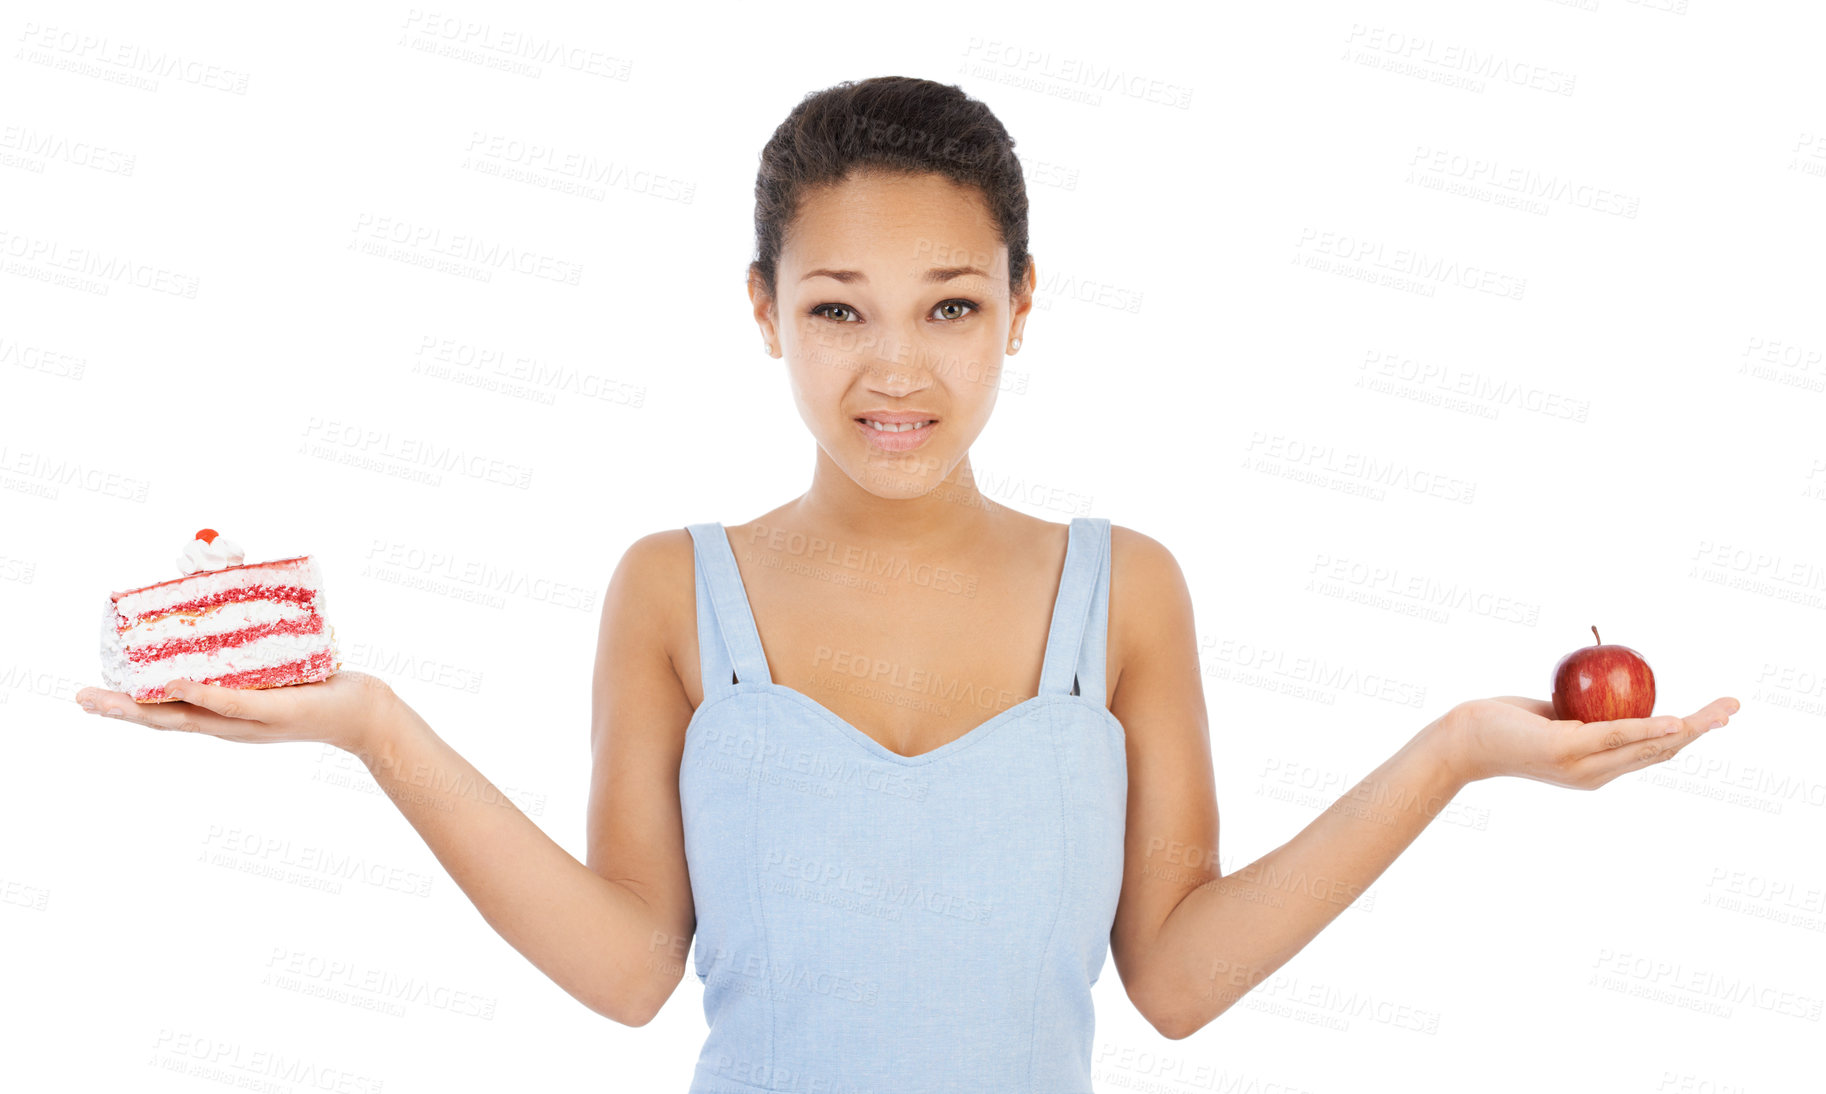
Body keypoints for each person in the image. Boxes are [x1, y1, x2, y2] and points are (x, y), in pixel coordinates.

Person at [74, 76, 1739, 1092]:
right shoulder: (671, 589)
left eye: (946, 305)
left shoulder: (1123, 590)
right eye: (835, 308)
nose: (894, 368)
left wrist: (1455, 751)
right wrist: (372, 728)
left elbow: (1173, 979)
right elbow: (628, 967)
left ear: (1021, 305)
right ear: (761, 310)